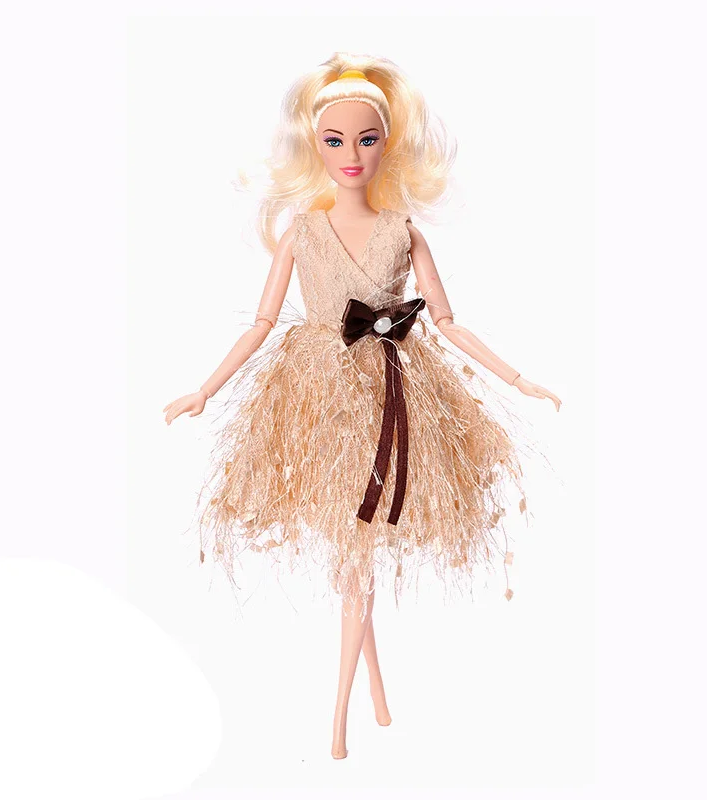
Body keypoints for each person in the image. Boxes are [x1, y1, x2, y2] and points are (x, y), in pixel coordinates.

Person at [163, 53, 561, 759]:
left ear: (388, 145)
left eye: (367, 138)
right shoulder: (302, 232)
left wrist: (517, 377)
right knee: (356, 550)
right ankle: (369, 695)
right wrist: (205, 389)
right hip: (318, 401)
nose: (351, 153)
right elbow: (261, 323)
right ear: (313, 147)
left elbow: (446, 320)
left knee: (359, 553)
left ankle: (345, 708)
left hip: (393, 399)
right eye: (335, 139)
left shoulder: (404, 231)